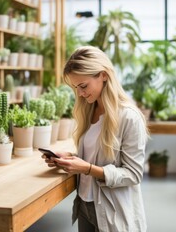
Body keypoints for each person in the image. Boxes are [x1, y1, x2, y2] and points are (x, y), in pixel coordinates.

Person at [42, 46, 149, 232]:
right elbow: (99, 156)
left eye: (83, 86)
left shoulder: (129, 117)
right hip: (84, 204)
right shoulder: (89, 110)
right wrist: (69, 157)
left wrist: (87, 169)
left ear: (104, 75)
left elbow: (133, 174)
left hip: (112, 211)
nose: (81, 94)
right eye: (76, 88)